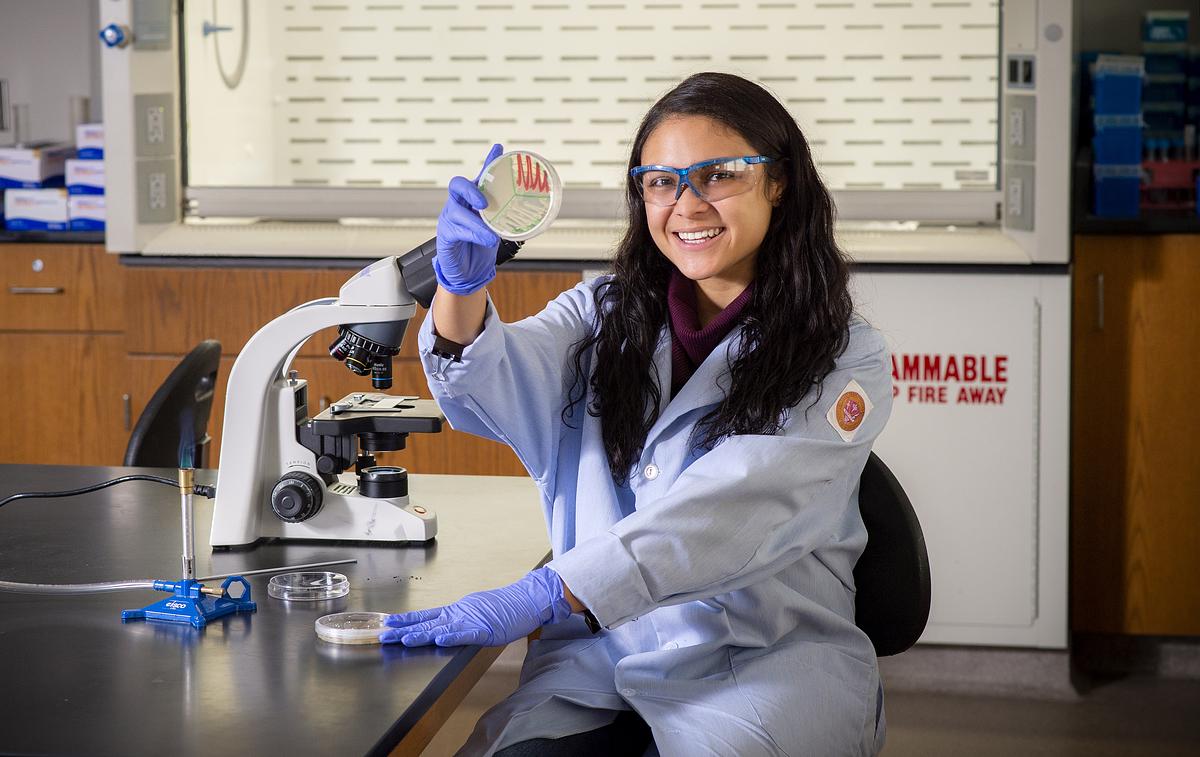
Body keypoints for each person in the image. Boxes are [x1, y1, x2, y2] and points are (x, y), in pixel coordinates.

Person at [381, 72, 892, 757]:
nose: (687, 204)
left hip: (760, 661)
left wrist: (549, 592)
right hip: (598, 657)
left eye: (718, 175)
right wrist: (459, 287)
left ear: (779, 182)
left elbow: (727, 513)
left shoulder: (843, 354)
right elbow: (498, 380)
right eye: (660, 181)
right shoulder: (604, 312)